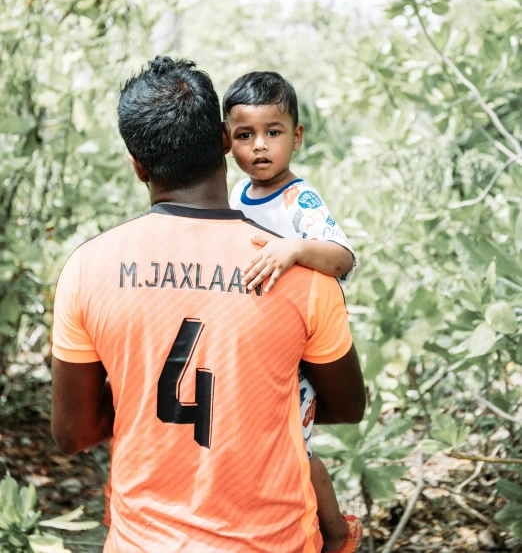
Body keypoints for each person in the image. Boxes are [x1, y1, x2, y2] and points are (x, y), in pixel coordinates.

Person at [51, 57, 366, 553]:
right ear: (225, 139)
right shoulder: (300, 273)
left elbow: (73, 433)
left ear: (137, 165)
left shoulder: (87, 268)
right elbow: (348, 406)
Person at [224, 71, 361, 553]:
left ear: (296, 137)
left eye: (273, 132)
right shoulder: (235, 197)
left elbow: (342, 255)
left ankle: (335, 529)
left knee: (295, 451)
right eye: (245, 135)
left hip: (301, 346)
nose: (259, 147)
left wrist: (296, 249)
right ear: (227, 141)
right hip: (257, 342)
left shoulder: (299, 199)